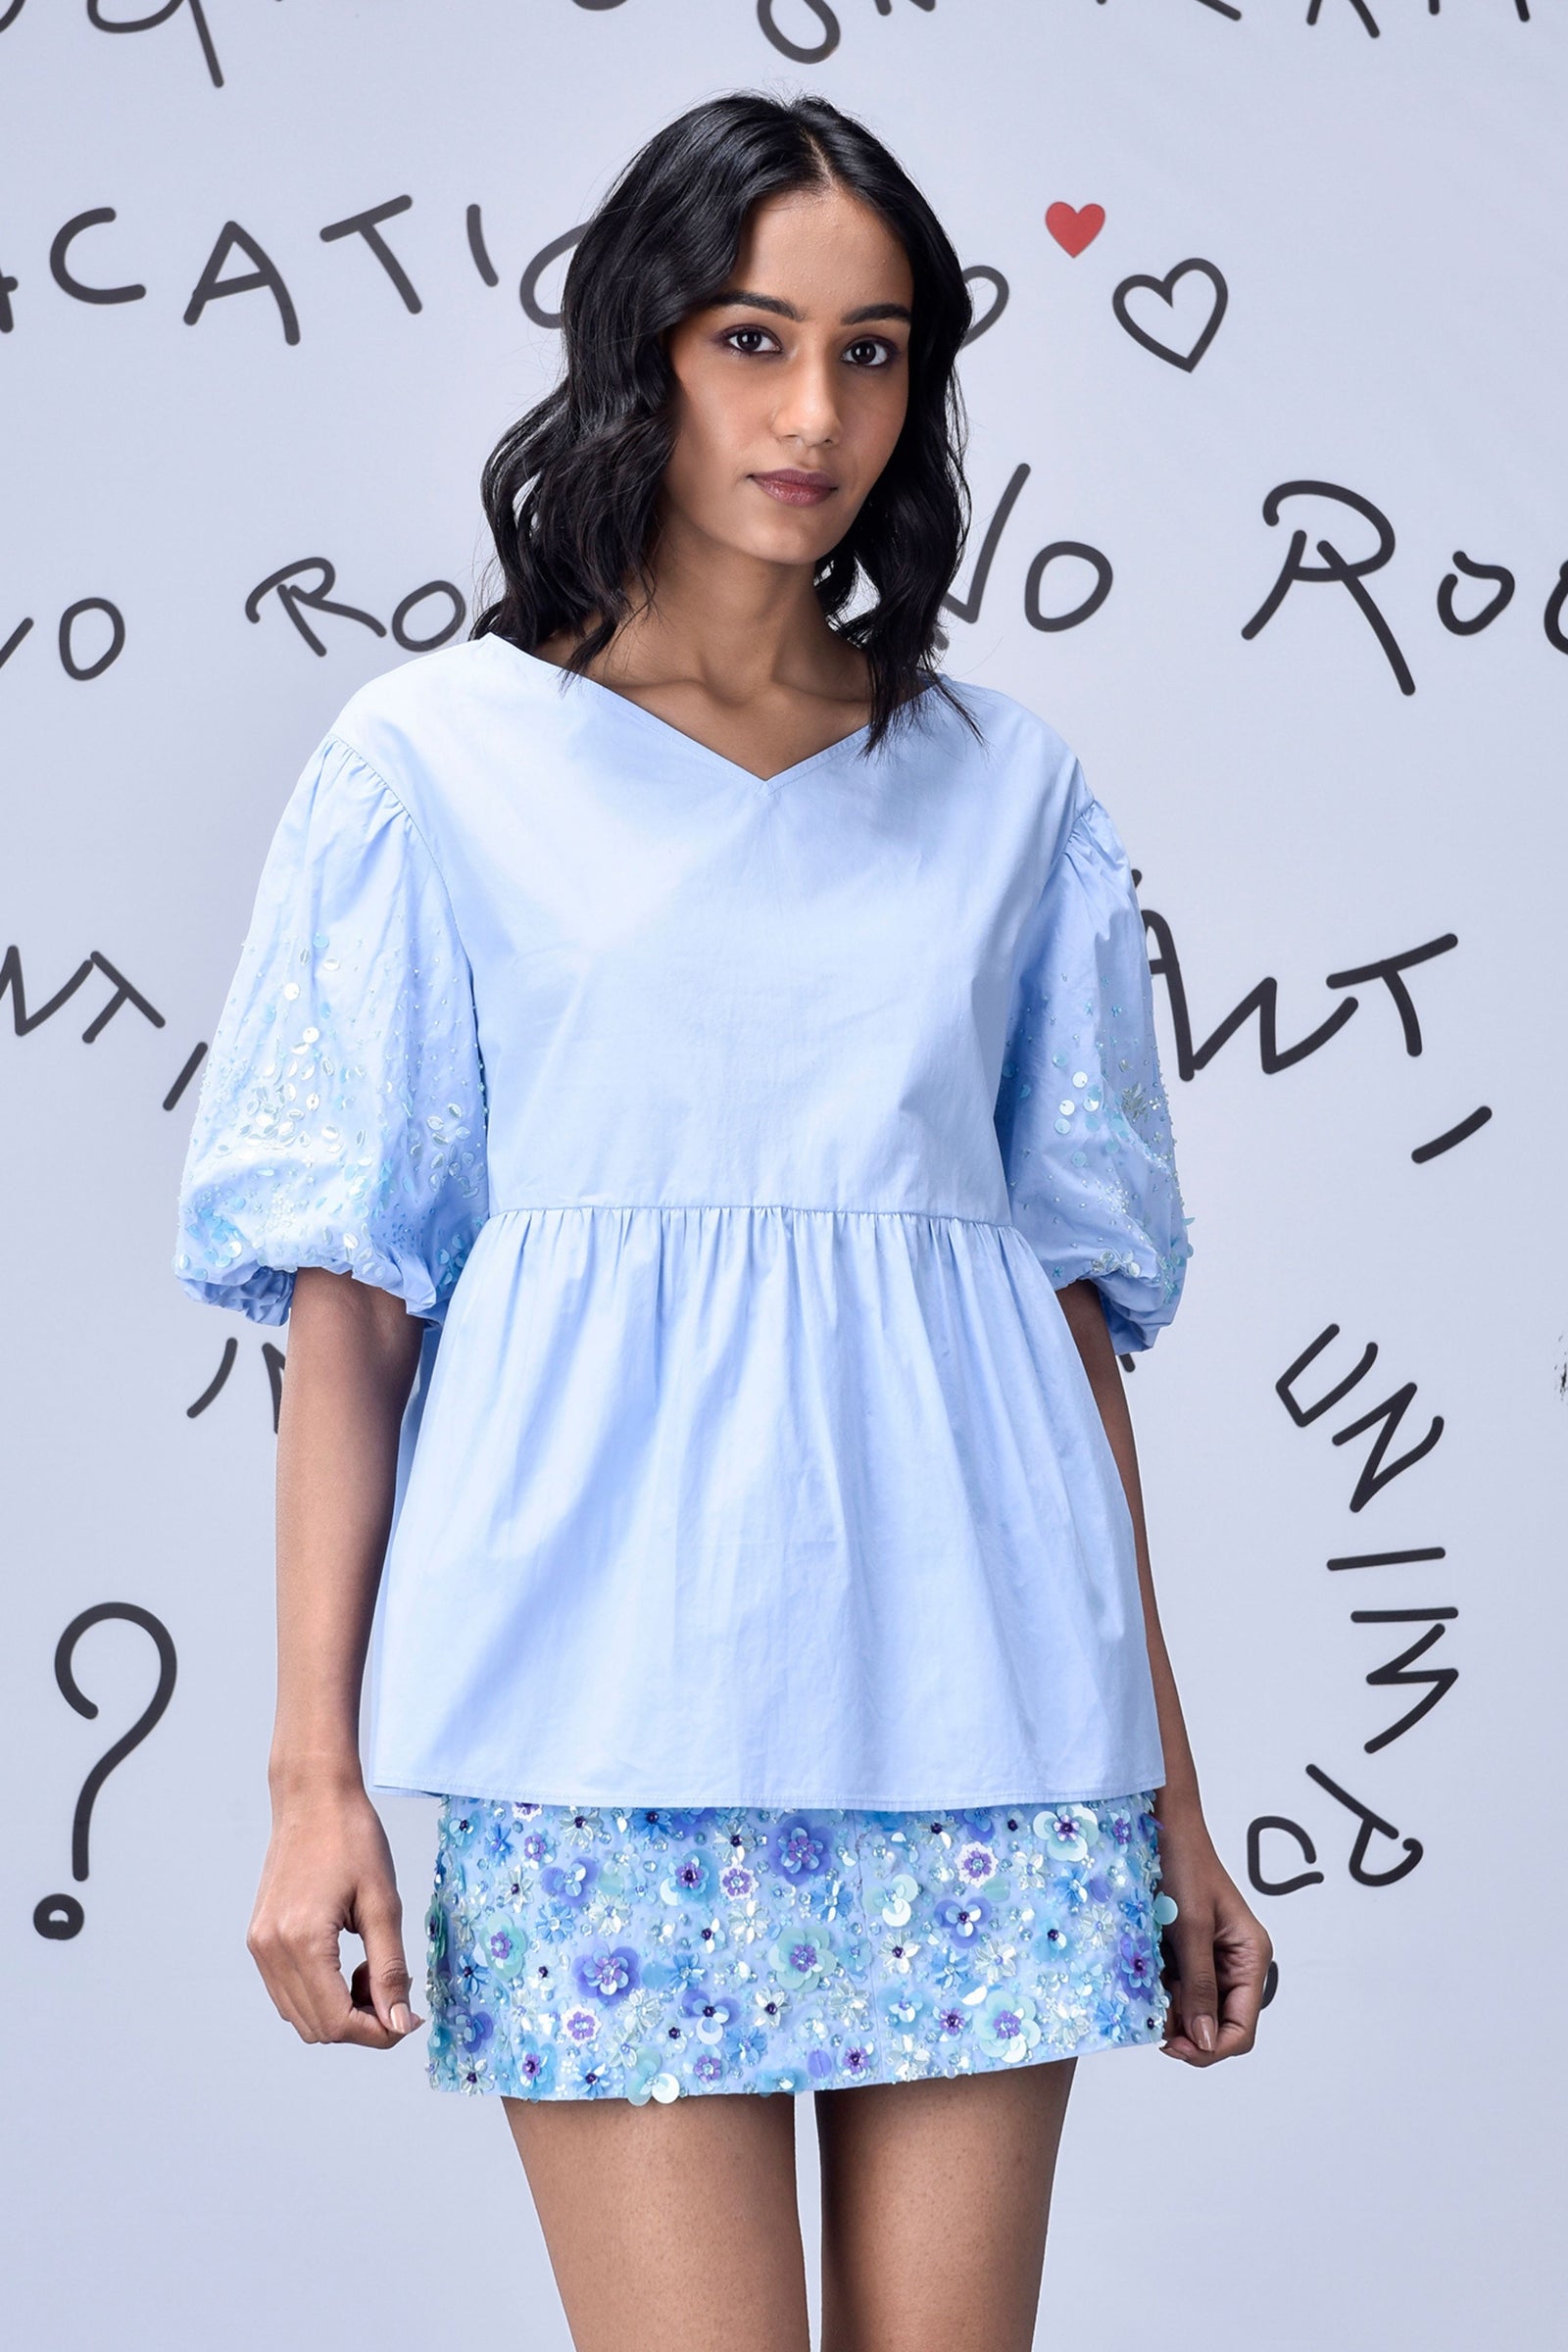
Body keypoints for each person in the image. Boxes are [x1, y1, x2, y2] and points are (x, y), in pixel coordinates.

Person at [172, 88, 1272, 2352]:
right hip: (601, 1740)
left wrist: (1171, 1799)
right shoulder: (432, 769)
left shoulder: (1007, 794)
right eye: (752, 341)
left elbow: (1063, 1328)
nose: (811, 417)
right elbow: (351, 1309)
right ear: (643, 350)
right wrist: (310, 1780)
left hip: (991, 1742)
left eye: (871, 355)